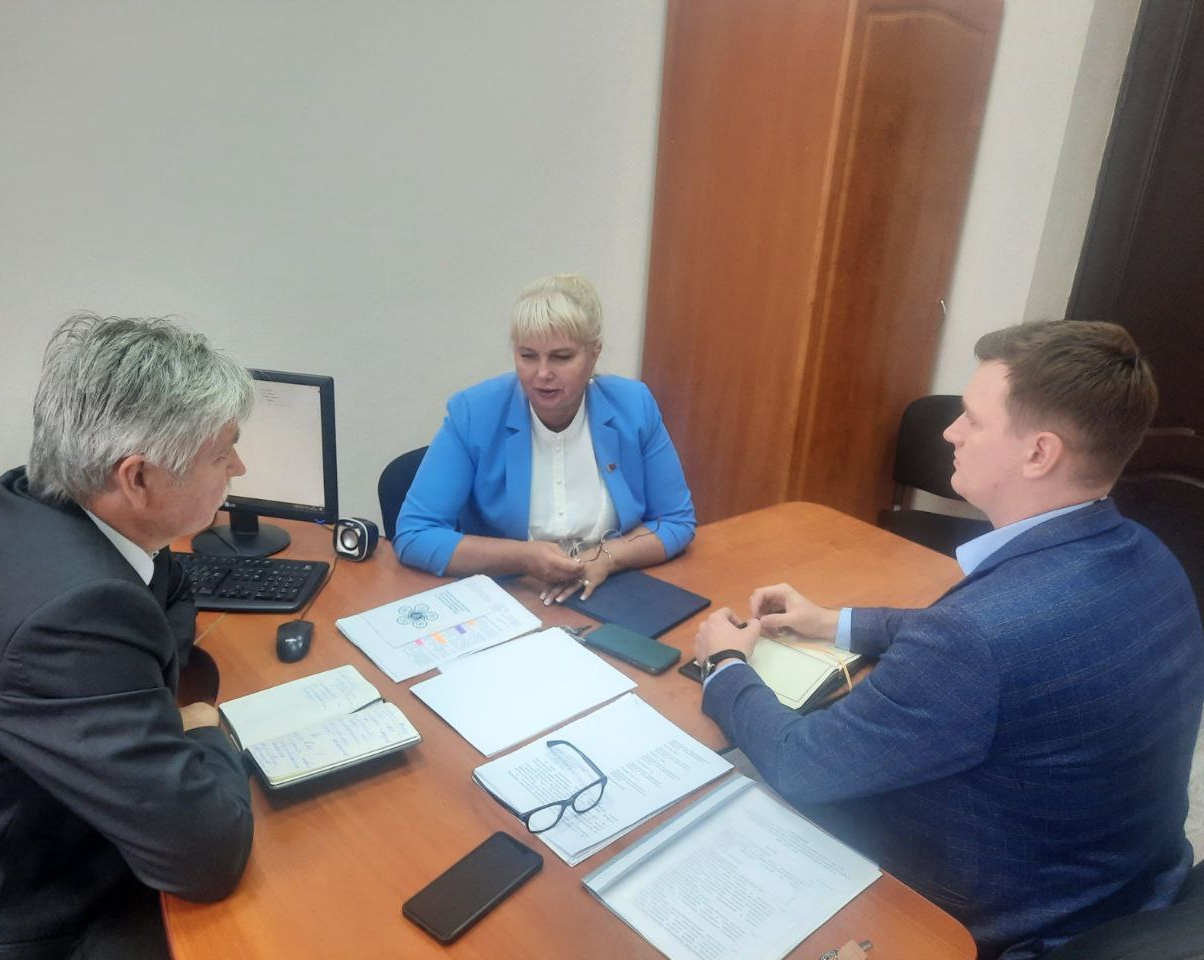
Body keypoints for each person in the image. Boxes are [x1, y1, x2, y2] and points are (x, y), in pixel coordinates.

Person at [694, 320, 1204, 959]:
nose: (950, 432)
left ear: (1039, 454)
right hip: (1129, 886)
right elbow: (1011, 646)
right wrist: (834, 621)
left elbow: (803, 763)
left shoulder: (973, 640)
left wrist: (724, 664)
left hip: (1007, 921)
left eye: (973, 419)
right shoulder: (1153, 558)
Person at [0, 315, 256, 959]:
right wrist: (202, 730)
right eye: (223, 453)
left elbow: (170, 589)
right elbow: (205, 856)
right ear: (138, 478)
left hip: (38, 817)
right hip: (11, 905)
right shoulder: (72, 616)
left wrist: (135, 689)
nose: (238, 468)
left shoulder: (42, 503)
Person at [393, 274, 695, 603]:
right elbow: (415, 534)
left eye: (561, 357)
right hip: (513, 595)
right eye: (528, 355)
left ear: (594, 354)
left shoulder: (633, 406)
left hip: (609, 589)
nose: (542, 374)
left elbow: (674, 520)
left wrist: (606, 558)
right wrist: (522, 557)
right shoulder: (473, 413)